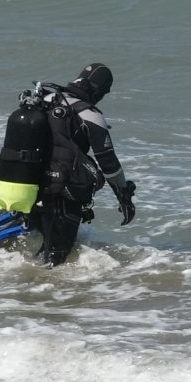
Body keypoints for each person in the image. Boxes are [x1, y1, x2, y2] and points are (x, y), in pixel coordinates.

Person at [25, 63, 136, 266]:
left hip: (29, 187)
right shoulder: (90, 114)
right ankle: (34, 293)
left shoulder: (45, 99)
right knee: (56, 259)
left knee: (44, 250)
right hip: (60, 193)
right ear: (98, 89)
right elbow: (109, 163)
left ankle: (17, 290)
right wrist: (124, 196)